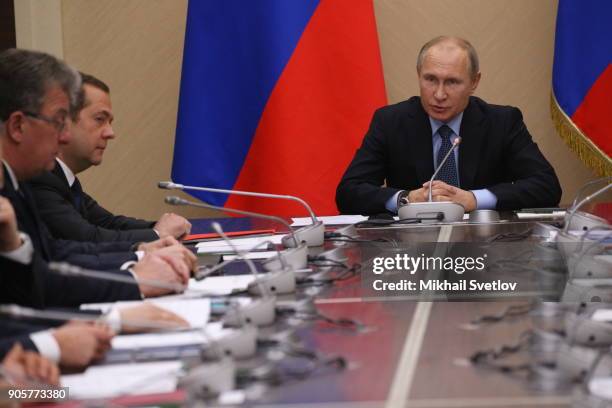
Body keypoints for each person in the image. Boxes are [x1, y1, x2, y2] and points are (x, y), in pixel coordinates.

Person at [0, 48, 196, 305]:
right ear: (17, 126)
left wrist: (140, 251)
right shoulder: (28, 182)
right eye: (59, 122)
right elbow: (40, 282)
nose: (65, 137)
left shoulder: (17, 182)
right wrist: (135, 282)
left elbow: (55, 252)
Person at [336, 36, 562, 215]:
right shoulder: (390, 121)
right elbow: (348, 193)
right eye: (430, 79)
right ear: (418, 75)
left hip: (487, 248)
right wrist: (407, 199)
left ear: (474, 82)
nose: (439, 94)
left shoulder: (502, 122)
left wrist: (473, 199)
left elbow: (546, 187)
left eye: (452, 82)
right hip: (411, 250)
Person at [30, 72, 191, 243]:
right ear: (62, 121)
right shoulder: (39, 178)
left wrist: (160, 226)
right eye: (100, 119)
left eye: (110, 123)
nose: (110, 133)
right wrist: (158, 234)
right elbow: (87, 238)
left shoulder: (64, 179)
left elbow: (108, 223)